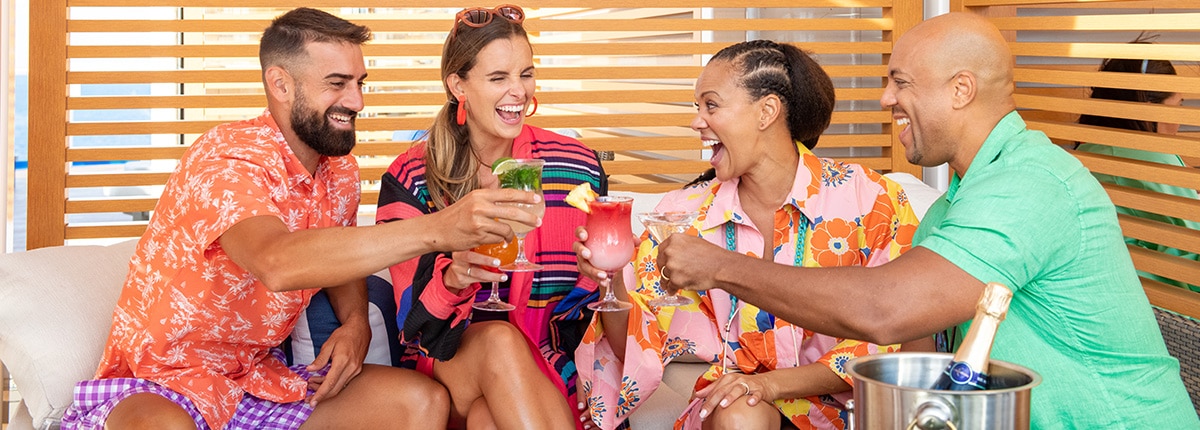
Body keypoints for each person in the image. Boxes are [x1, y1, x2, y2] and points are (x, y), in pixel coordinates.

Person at [654, 12, 1198, 429]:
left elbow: (885, 309)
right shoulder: (951, 207)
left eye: (901, 82)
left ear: (961, 90)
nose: (886, 97)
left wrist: (722, 267)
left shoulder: (1032, 184)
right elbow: (914, 352)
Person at [58, 7, 544, 430]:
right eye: (337, 84)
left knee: (421, 402)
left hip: (256, 380)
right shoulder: (224, 158)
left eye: (359, 83)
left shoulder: (340, 172)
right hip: (162, 381)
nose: (356, 101)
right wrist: (442, 227)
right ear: (280, 84)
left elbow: (340, 253)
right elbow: (277, 261)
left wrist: (357, 323)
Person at [573, 40, 925, 430]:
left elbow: (902, 327)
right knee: (741, 410)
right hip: (736, 409)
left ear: (766, 112)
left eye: (711, 105)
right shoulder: (682, 216)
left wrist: (771, 383)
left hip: (852, 408)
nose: (697, 122)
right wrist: (614, 281)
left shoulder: (871, 199)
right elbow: (640, 347)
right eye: (697, 108)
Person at [375, 4, 599, 429]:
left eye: (526, 73)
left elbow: (591, 304)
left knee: (487, 418)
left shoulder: (576, 166)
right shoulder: (412, 176)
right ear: (458, 84)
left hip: (544, 364)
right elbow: (412, 322)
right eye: (498, 78)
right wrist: (453, 278)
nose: (518, 91)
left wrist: (605, 270)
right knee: (497, 339)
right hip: (448, 360)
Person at [1073, 53, 1198, 291]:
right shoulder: (1149, 158)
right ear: (1150, 107)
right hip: (1166, 302)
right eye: (1178, 106)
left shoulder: (1088, 151)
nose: (1180, 122)